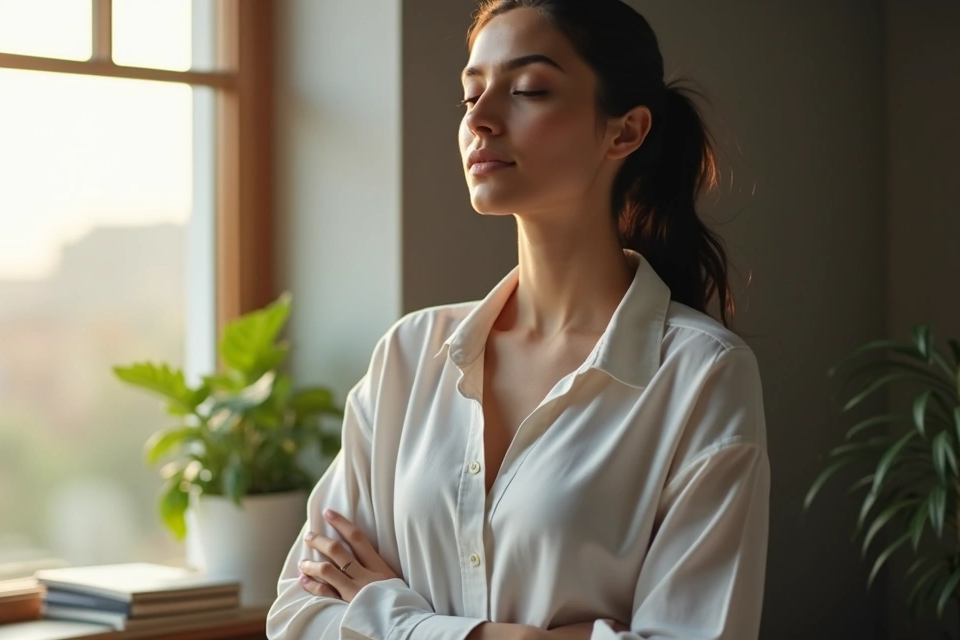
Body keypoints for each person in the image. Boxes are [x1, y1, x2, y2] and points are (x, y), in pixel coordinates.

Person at [266, 1, 769, 638]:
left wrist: (393, 619)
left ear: (624, 131)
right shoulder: (409, 356)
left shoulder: (702, 375)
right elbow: (299, 618)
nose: (480, 118)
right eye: (469, 93)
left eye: (528, 89)